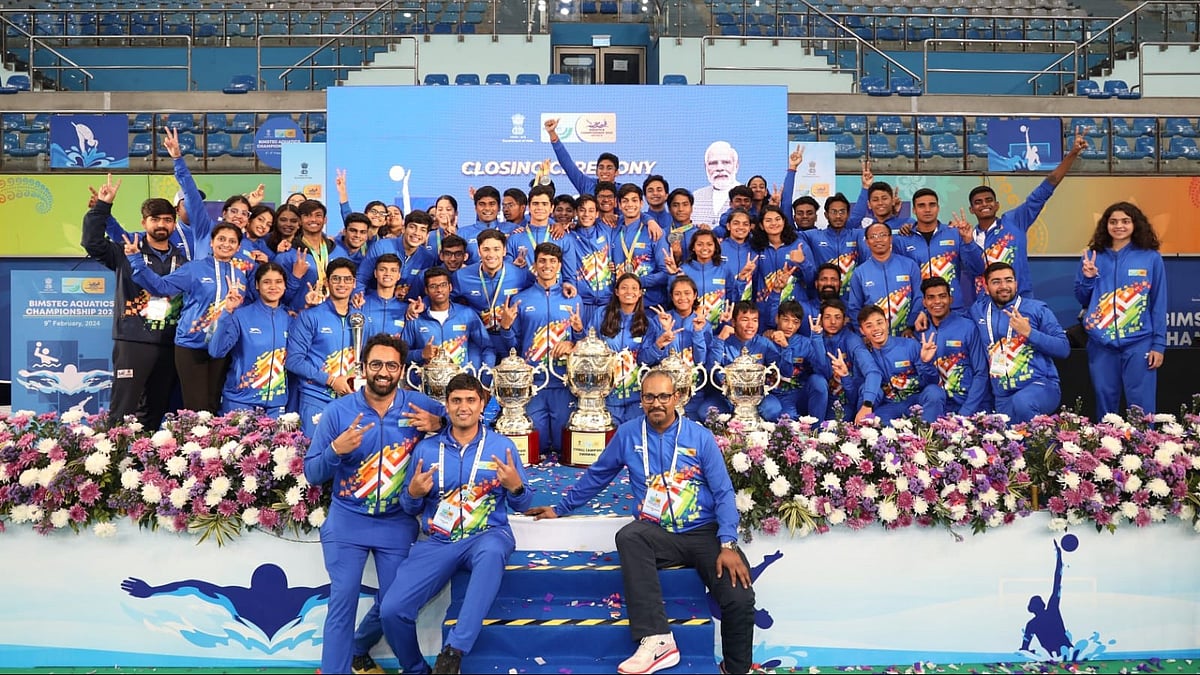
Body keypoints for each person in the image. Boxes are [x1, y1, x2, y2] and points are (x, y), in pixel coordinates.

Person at [526, 370, 755, 675]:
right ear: (641, 400)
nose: (656, 403)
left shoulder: (699, 437)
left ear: (677, 398)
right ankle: (658, 639)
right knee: (630, 536)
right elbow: (599, 475)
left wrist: (728, 543)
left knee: (739, 598)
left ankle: (736, 669)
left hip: (703, 533)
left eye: (663, 396)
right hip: (656, 531)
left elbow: (724, 492)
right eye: (649, 397)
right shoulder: (628, 434)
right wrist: (561, 508)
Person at [304, 333, 445, 675]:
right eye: (377, 364)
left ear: (402, 370)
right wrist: (336, 450)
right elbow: (312, 472)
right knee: (343, 601)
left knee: (394, 603)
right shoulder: (339, 412)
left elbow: (470, 426)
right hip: (347, 522)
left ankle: (364, 649)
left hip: (396, 523)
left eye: (391, 365)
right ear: (363, 368)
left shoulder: (420, 407)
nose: (384, 372)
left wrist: (440, 424)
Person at [380, 373, 531, 675]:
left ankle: (454, 650)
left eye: (471, 400)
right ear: (446, 406)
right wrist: (412, 493)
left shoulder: (502, 447)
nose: (464, 407)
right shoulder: (425, 449)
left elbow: (522, 504)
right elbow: (409, 507)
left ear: (482, 404)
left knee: (491, 553)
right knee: (391, 610)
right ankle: (415, 669)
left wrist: (516, 487)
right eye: (456, 400)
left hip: (488, 533)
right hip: (438, 540)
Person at [82, 174, 187, 429]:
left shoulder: (183, 261)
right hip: (133, 340)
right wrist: (102, 208)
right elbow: (92, 243)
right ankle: (116, 461)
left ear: (174, 225)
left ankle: (144, 462)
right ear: (144, 222)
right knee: (124, 407)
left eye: (167, 220)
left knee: (155, 407)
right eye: (155, 219)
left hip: (168, 342)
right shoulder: (125, 252)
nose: (161, 224)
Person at [126, 222, 251, 414]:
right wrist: (136, 260)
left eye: (232, 241)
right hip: (191, 345)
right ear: (211, 243)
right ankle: (196, 444)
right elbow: (161, 287)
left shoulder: (241, 276)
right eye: (221, 239)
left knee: (212, 405)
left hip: (222, 348)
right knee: (196, 407)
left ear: (239, 247)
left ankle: (214, 444)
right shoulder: (194, 269)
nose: (226, 244)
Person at [967, 130, 1087, 299]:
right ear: (972, 209)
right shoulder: (968, 237)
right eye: (978, 202)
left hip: (1021, 301)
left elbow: (1047, 187)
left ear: (997, 205)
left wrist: (1072, 154)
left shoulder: (1014, 220)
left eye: (989, 200)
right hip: (985, 304)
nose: (985, 204)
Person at [1075, 201, 1167, 418]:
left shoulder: (1150, 257)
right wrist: (1088, 278)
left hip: (1139, 342)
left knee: (1142, 406)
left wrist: (1158, 344)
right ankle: (1107, 451)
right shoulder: (1092, 256)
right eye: (1113, 221)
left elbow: (1159, 302)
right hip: (1101, 343)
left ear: (1135, 224)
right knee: (1105, 404)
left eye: (1125, 221)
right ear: (1105, 225)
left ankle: (1144, 448)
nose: (1119, 226)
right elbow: (1082, 298)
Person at [498, 242, 583, 455]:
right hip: (533, 384)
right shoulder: (520, 299)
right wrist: (506, 327)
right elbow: (512, 347)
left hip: (564, 382)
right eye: (542, 261)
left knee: (566, 447)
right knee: (538, 446)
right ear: (534, 265)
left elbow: (584, 341)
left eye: (552, 261)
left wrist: (573, 342)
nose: (547, 266)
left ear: (560, 265)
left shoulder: (573, 298)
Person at [971, 262, 1070, 423]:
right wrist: (923, 315)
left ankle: (1047, 445)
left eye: (1008, 280)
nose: (1004, 286)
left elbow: (1063, 348)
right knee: (1007, 443)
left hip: (1040, 386)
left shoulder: (1037, 309)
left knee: (1023, 403)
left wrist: (1029, 332)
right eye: (996, 282)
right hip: (1002, 394)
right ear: (986, 286)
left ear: (1016, 284)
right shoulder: (978, 311)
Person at [286, 257, 360, 436]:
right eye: (336, 279)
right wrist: (331, 380)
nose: (342, 284)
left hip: (351, 400)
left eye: (347, 279)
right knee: (312, 457)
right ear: (327, 282)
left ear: (354, 283)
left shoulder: (360, 319)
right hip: (316, 397)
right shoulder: (310, 316)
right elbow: (294, 361)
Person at [208, 262, 292, 416]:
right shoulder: (241, 315)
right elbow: (216, 351)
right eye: (267, 282)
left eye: (278, 282)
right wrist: (227, 312)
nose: (273, 287)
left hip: (276, 404)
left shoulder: (290, 320)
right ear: (257, 285)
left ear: (285, 286)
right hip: (240, 400)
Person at [893, 189, 983, 315]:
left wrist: (969, 242)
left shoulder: (955, 234)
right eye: (921, 205)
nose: (927, 209)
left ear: (938, 208)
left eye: (932, 205)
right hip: (919, 312)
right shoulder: (902, 240)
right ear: (914, 210)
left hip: (954, 309)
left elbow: (978, 268)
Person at [852, 305, 941, 424]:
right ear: (862, 331)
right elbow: (859, 388)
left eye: (879, 323)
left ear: (887, 323)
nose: (876, 329)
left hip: (916, 400)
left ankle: (929, 436)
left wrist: (926, 363)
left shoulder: (910, 345)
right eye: (869, 326)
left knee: (934, 391)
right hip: (889, 406)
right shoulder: (865, 356)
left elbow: (932, 381)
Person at [452, 229, 534, 358]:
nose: (491, 254)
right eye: (486, 249)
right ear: (479, 251)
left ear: (504, 251)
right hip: (479, 341)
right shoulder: (462, 276)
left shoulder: (521, 275)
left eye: (496, 249)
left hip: (510, 338)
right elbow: (444, 301)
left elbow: (539, 292)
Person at [403, 267, 496, 377]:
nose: (439, 290)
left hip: (460, 385)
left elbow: (487, 347)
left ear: (450, 287)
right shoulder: (415, 318)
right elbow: (401, 354)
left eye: (443, 285)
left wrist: (484, 379)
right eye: (433, 286)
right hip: (426, 385)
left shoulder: (466, 314)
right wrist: (421, 354)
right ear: (426, 290)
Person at [916, 277, 989, 418]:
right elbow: (923, 381)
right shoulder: (921, 331)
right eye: (931, 298)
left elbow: (981, 373)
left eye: (942, 296)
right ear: (924, 302)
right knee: (932, 392)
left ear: (951, 299)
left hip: (967, 405)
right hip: (937, 404)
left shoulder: (968, 327)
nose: (937, 302)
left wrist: (966, 412)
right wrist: (925, 363)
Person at [642, 275, 713, 419]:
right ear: (672, 297)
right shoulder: (658, 321)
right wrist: (662, 338)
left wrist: (698, 332)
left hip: (693, 392)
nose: (682, 298)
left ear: (695, 296)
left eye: (687, 293)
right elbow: (644, 359)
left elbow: (701, 362)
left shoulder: (704, 324)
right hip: (663, 394)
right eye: (677, 294)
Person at [591, 273, 651, 424]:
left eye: (634, 288)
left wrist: (660, 344)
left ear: (640, 293)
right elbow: (590, 347)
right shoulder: (601, 314)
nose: (629, 292)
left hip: (636, 396)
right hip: (607, 395)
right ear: (616, 292)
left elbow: (648, 359)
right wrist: (578, 332)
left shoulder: (648, 322)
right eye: (624, 288)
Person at [710, 301, 785, 420]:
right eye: (745, 320)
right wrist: (720, 340)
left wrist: (785, 348)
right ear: (733, 322)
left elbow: (785, 371)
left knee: (773, 409)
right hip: (726, 396)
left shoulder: (764, 343)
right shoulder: (722, 340)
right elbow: (711, 368)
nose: (751, 325)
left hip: (757, 395)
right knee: (706, 412)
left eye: (755, 320)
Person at [846, 222, 923, 337]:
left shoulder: (909, 265)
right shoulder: (860, 272)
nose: (878, 240)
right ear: (867, 242)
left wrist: (910, 326)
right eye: (873, 237)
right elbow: (854, 308)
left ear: (890, 238)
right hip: (874, 339)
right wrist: (864, 334)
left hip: (907, 335)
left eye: (883, 235)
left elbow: (919, 297)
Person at [808, 299, 880, 421]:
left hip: (846, 399)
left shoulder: (852, 340)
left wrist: (866, 404)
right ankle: (813, 430)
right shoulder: (815, 338)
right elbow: (822, 371)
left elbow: (873, 372)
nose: (833, 322)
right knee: (816, 380)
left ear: (845, 319)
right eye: (827, 317)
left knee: (836, 432)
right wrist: (816, 339)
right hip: (821, 400)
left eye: (837, 317)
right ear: (820, 320)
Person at [275, 199, 352, 312]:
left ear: (325, 220)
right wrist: (295, 277)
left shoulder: (340, 252)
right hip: (300, 316)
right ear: (300, 221)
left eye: (318, 215)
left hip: (332, 316)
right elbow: (278, 297)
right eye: (307, 216)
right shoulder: (286, 256)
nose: (313, 219)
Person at [750, 204, 814, 330]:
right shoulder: (755, 247)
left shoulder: (799, 245)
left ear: (784, 221)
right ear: (762, 225)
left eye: (777, 219)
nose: (774, 223)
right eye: (768, 220)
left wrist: (803, 262)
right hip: (765, 310)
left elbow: (812, 280)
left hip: (795, 310)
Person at [356, 210, 438, 301]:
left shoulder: (427, 258)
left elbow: (427, 291)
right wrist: (359, 300)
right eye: (412, 227)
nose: (417, 233)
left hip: (408, 310)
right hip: (374, 303)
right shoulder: (381, 247)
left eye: (422, 230)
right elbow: (361, 279)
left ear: (427, 235)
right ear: (403, 229)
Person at [612, 183, 671, 308]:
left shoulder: (655, 232)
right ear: (619, 205)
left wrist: (639, 282)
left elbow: (666, 273)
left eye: (634, 200)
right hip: (621, 305)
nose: (630, 205)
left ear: (641, 203)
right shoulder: (613, 230)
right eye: (625, 201)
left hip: (650, 304)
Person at [679, 229, 744, 330]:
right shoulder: (684, 270)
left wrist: (741, 280)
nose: (705, 248)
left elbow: (733, 297)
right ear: (693, 247)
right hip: (692, 327)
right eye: (700, 244)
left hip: (719, 327)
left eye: (709, 244)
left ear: (715, 247)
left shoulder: (724, 268)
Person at [565, 194, 614, 328]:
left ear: (598, 213)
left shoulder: (607, 230)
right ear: (575, 212)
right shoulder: (568, 236)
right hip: (582, 303)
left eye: (591, 210)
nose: (586, 214)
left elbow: (633, 218)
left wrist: (649, 220)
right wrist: (558, 225)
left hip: (608, 302)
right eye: (582, 210)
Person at [801, 193, 859, 298]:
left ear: (848, 214)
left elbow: (881, 231)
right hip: (822, 299)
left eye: (842, 212)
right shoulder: (813, 236)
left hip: (850, 300)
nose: (838, 216)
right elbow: (784, 232)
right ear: (826, 215)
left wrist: (865, 188)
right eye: (834, 212)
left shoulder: (857, 235)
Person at [544, 117, 619, 196]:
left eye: (609, 168)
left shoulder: (623, 191)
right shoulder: (585, 184)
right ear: (596, 172)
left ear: (616, 172)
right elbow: (567, 164)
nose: (604, 171)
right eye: (601, 167)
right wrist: (552, 133)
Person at [506, 185, 573, 269]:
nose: (540, 208)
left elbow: (569, 278)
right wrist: (513, 267)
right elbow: (506, 271)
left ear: (551, 208)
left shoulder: (563, 238)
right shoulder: (514, 238)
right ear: (529, 207)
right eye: (535, 204)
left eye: (544, 204)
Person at [359, 253, 408, 341]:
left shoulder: (406, 309)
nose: (388, 274)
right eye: (382, 269)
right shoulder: (361, 304)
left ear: (398, 276)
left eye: (393, 270)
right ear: (375, 273)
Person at [692, 140, 740, 227]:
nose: (719, 168)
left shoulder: (748, 196)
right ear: (705, 167)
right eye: (713, 163)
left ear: (736, 166)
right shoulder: (695, 197)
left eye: (726, 162)